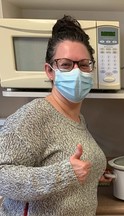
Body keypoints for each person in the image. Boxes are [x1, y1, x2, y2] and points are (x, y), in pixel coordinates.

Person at [0, 15, 107, 215]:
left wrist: (95, 172)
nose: (77, 72)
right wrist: (64, 174)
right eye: (66, 64)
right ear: (50, 71)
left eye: (84, 64)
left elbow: (69, 166)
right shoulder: (35, 115)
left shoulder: (77, 119)